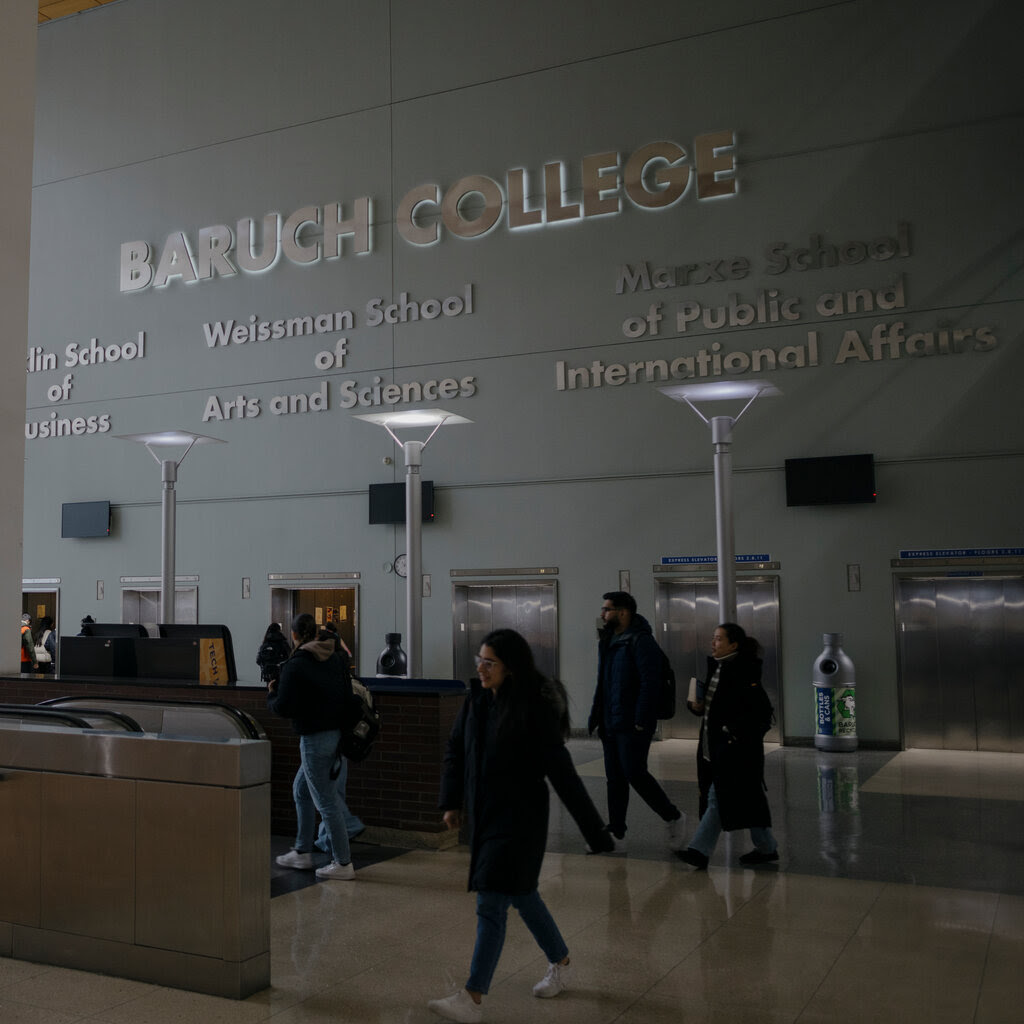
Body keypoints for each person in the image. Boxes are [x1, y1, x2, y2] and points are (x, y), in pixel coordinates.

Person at [429, 628, 612, 1023]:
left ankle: (472, 997)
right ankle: (560, 962)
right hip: (485, 816)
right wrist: (451, 801)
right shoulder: (476, 700)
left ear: (510, 667)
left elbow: (562, 772)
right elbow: (455, 750)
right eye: (478, 659)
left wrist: (595, 832)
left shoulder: (532, 708)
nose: (480, 668)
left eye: (489, 662)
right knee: (523, 895)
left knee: (491, 901)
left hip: (521, 820)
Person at [677, 622, 779, 869]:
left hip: (735, 750)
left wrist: (732, 734)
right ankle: (767, 847)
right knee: (750, 799)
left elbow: (759, 714)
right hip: (716, 747)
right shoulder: (719, 668)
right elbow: (713, 709)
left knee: (717, 797)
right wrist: (696, 707)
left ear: (734, 644)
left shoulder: (743, 672)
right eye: (713, 638)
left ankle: (699, 851)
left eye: (719, 639)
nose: (714, 642)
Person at [588, 591, 683, 847]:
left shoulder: (642, 642)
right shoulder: (608, 640)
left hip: (633, 723)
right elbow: (603, 684)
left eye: (607, 609)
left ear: (622, 612)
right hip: (610, 722)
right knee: (615, 778)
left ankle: (672, 815)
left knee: (634, 773)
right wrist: (596, 715)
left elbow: (649, 684)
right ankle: (616, 829)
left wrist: (641, 720)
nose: (602, 614)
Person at [267, 613, 357, 881]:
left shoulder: (297, 664)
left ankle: (343, 863)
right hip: (336, 736)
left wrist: (272, 693)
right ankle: (302, 850)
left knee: (326, 802)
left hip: (315, 740)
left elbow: (284, 706)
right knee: (302, 790)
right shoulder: (335, 657)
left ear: (294, 635)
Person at [314, 624, 366, 848]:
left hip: (327, 740)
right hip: (341, 742)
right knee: (332, 790)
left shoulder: (330, 679)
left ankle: (348, 826)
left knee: (324, 792)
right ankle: (326, 839)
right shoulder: (346, 677)